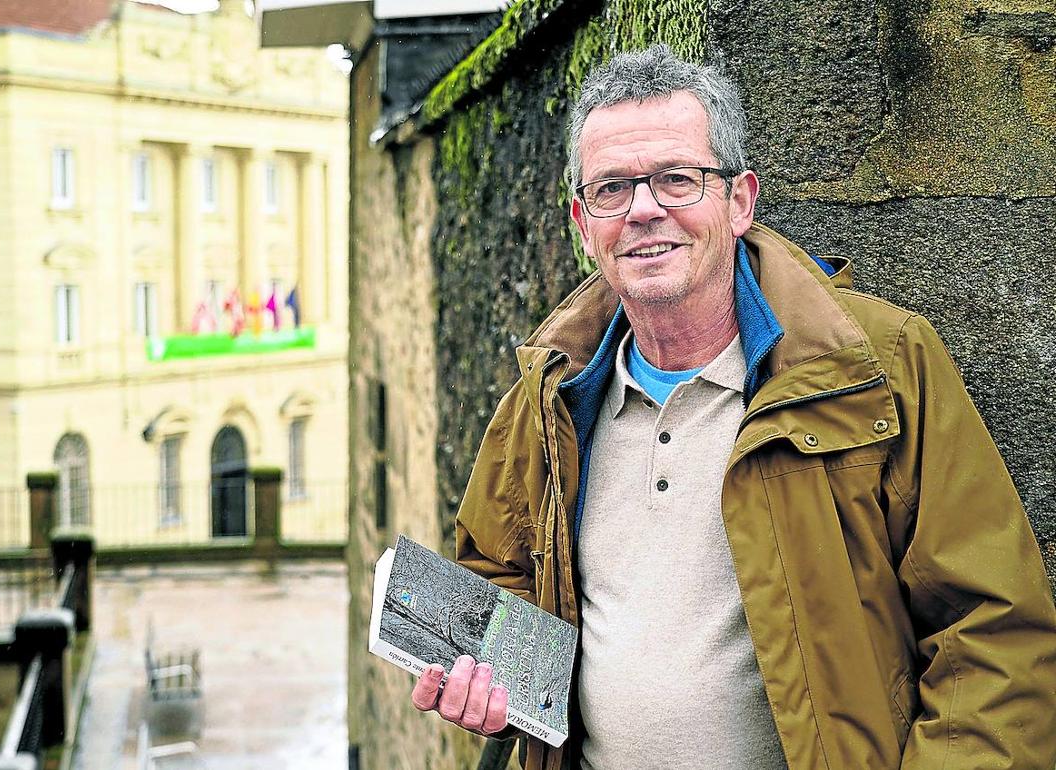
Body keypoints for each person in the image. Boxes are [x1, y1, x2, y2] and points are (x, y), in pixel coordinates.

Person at [409, 44, 1056, 770]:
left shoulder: (878, 366)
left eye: (677, 180)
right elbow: (501, 576)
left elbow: (994, 634)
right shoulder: (548, 396)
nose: (645, 210)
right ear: (583, 222)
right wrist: (492, 688)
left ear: (740, 200)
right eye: (612, 189)